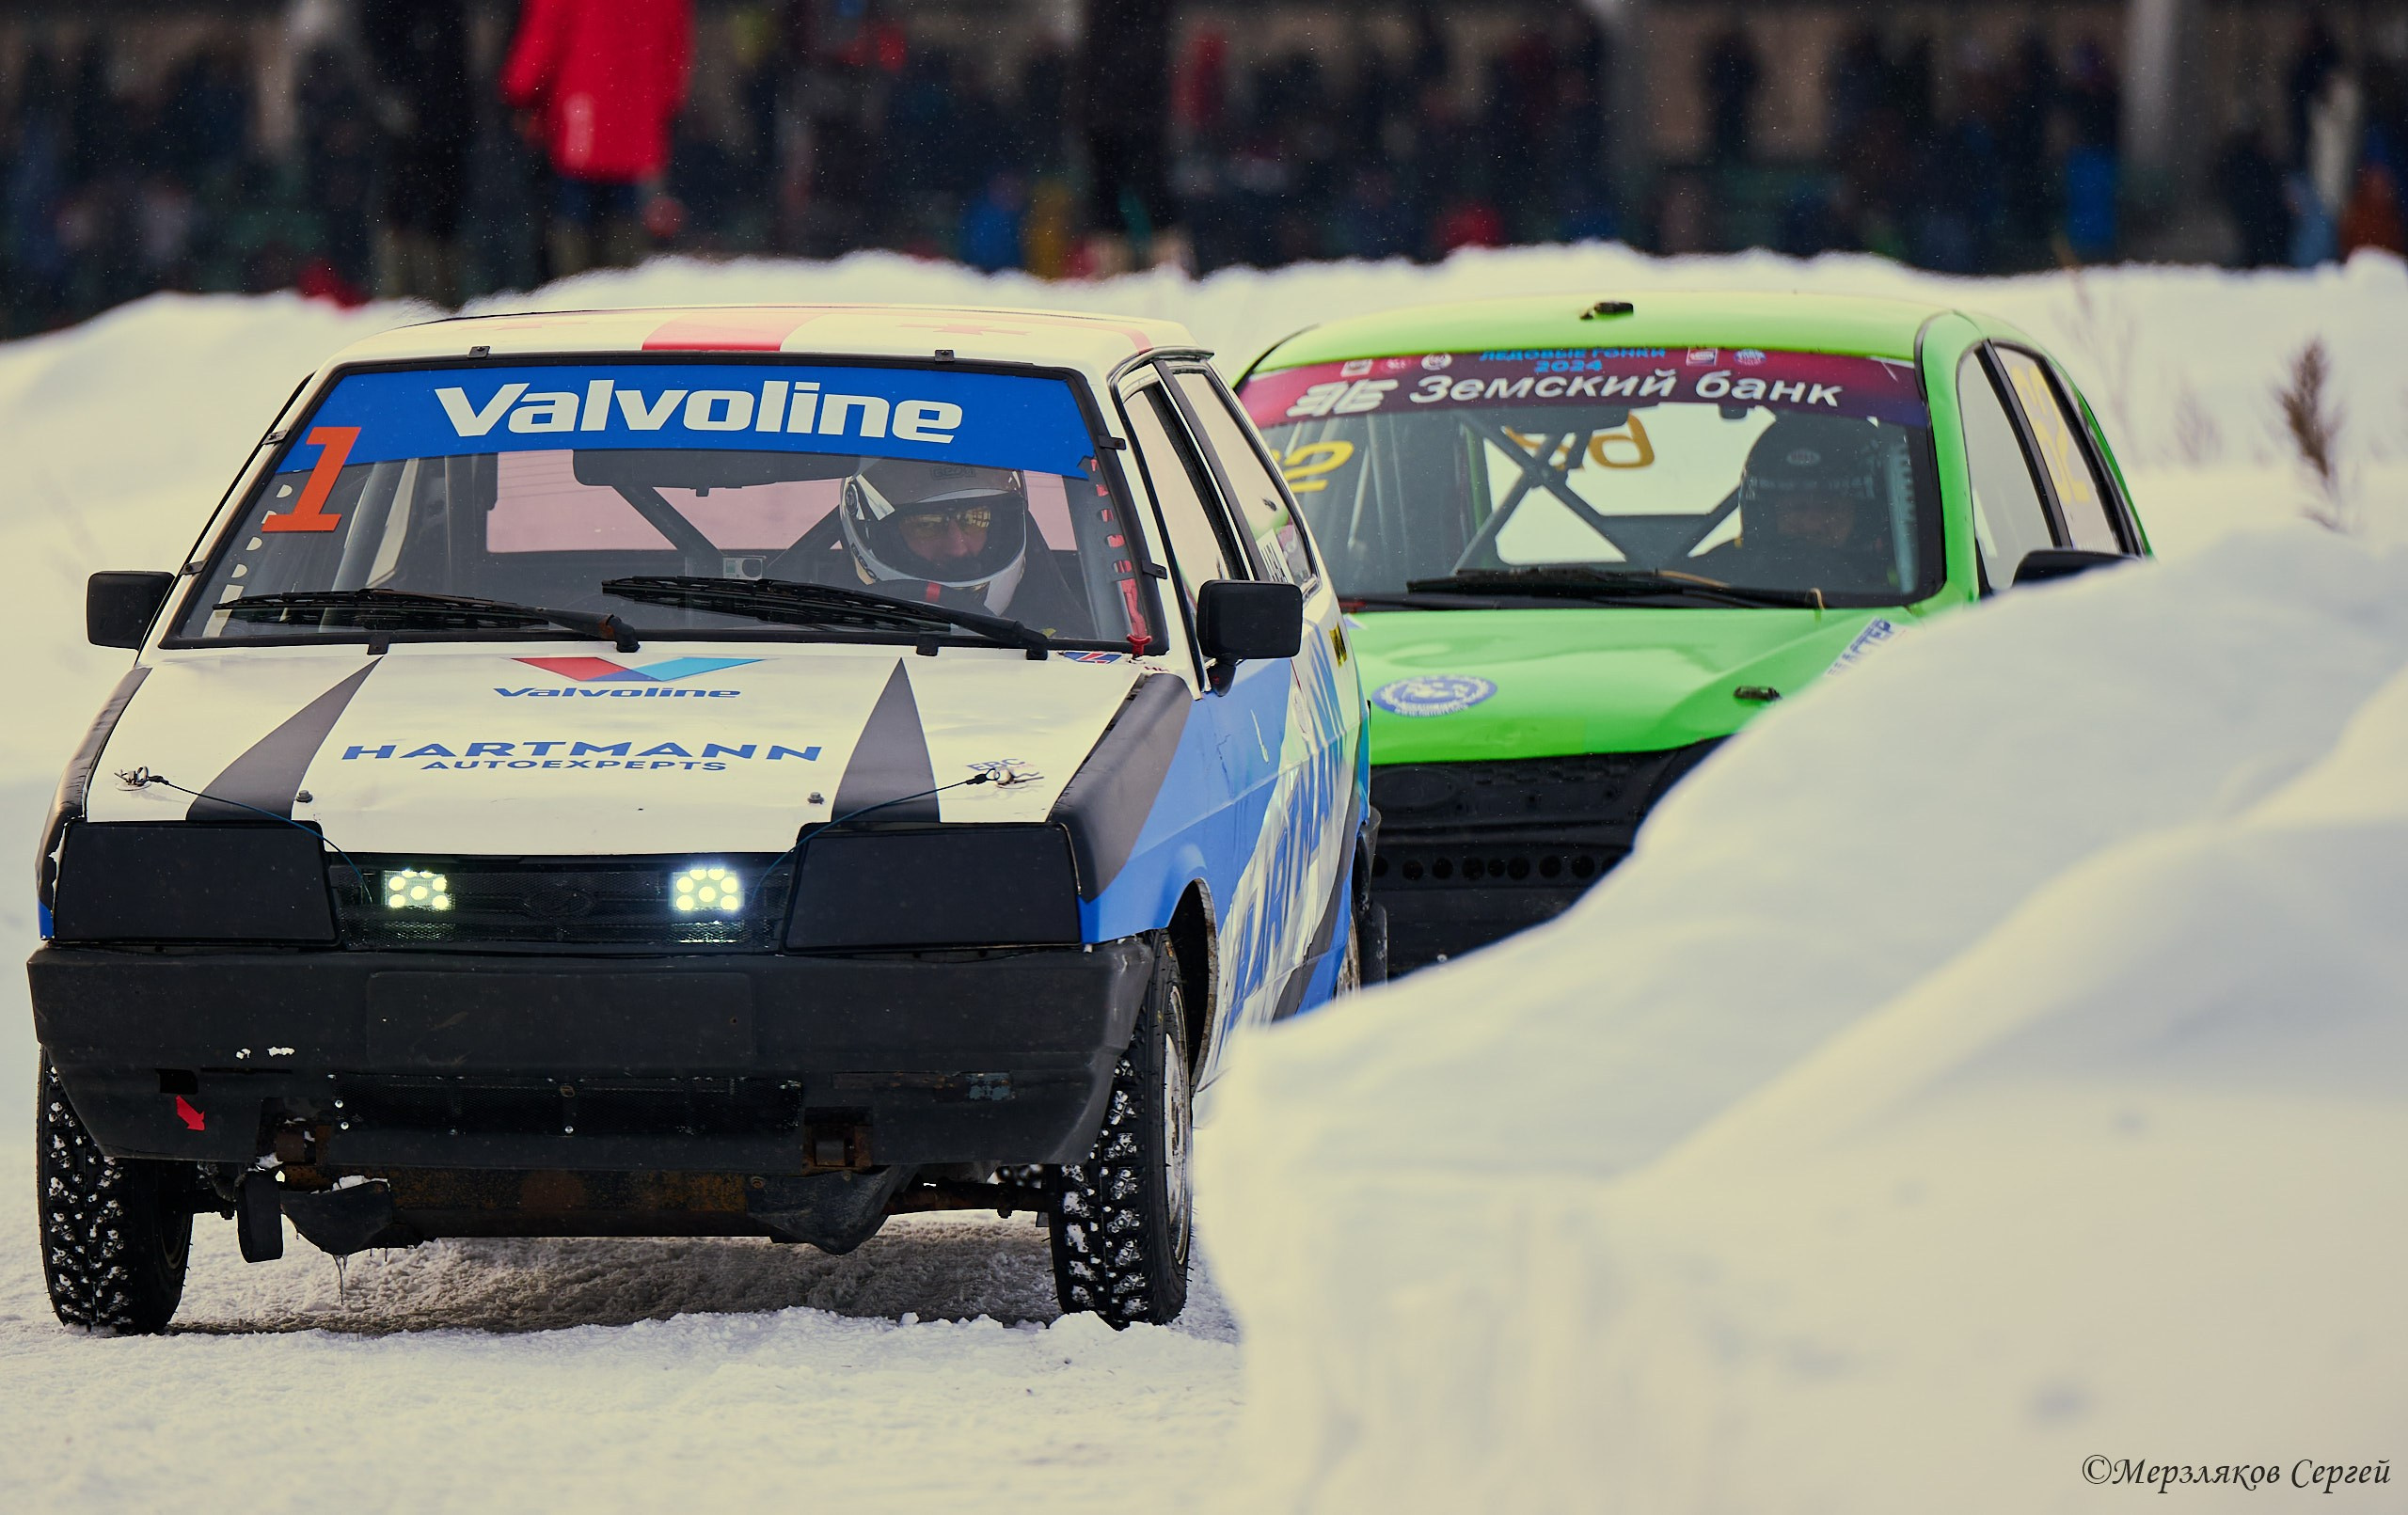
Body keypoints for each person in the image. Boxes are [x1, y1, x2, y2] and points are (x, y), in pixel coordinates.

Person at [768, 458, 1091, 637]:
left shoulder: (1077, 646)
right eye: (927, 524)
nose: (957, 547)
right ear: (878, 535)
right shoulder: (807, 637)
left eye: (974, 519)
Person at [500, 0, 692, 276]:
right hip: (634, 114)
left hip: (582, 108)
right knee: (624, 212)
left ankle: (577, 287)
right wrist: (663, 105)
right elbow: (674, 47)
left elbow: (545, 36)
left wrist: (521, 92)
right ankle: (621, 283)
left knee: (574, 214)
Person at [1708, 420, 1900, 596]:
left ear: (1865, 515)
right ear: (1766, 514)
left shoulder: (1905, 586)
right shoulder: (1713, 579)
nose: (1812, 523)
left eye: (1829, 508)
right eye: (1798, 508)